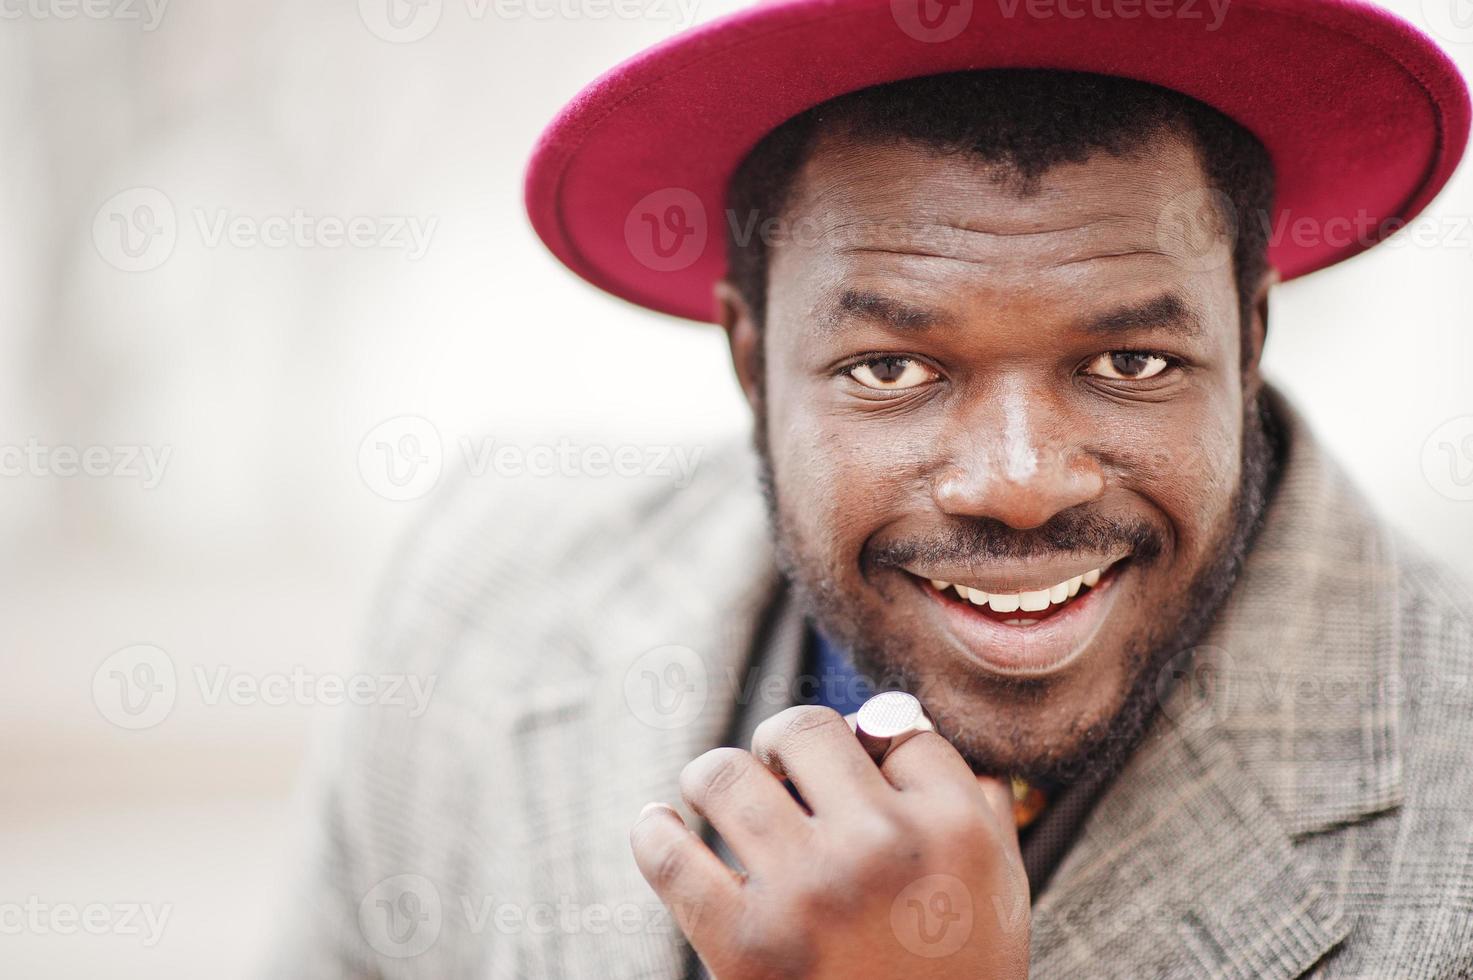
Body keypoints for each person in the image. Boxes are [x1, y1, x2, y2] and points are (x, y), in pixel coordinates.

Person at [275, 1, 1473, 976]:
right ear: (751, 361)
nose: (1018, 482)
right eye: (891, 367)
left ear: (1250, 336)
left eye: (1130, 362)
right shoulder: (481, 591)